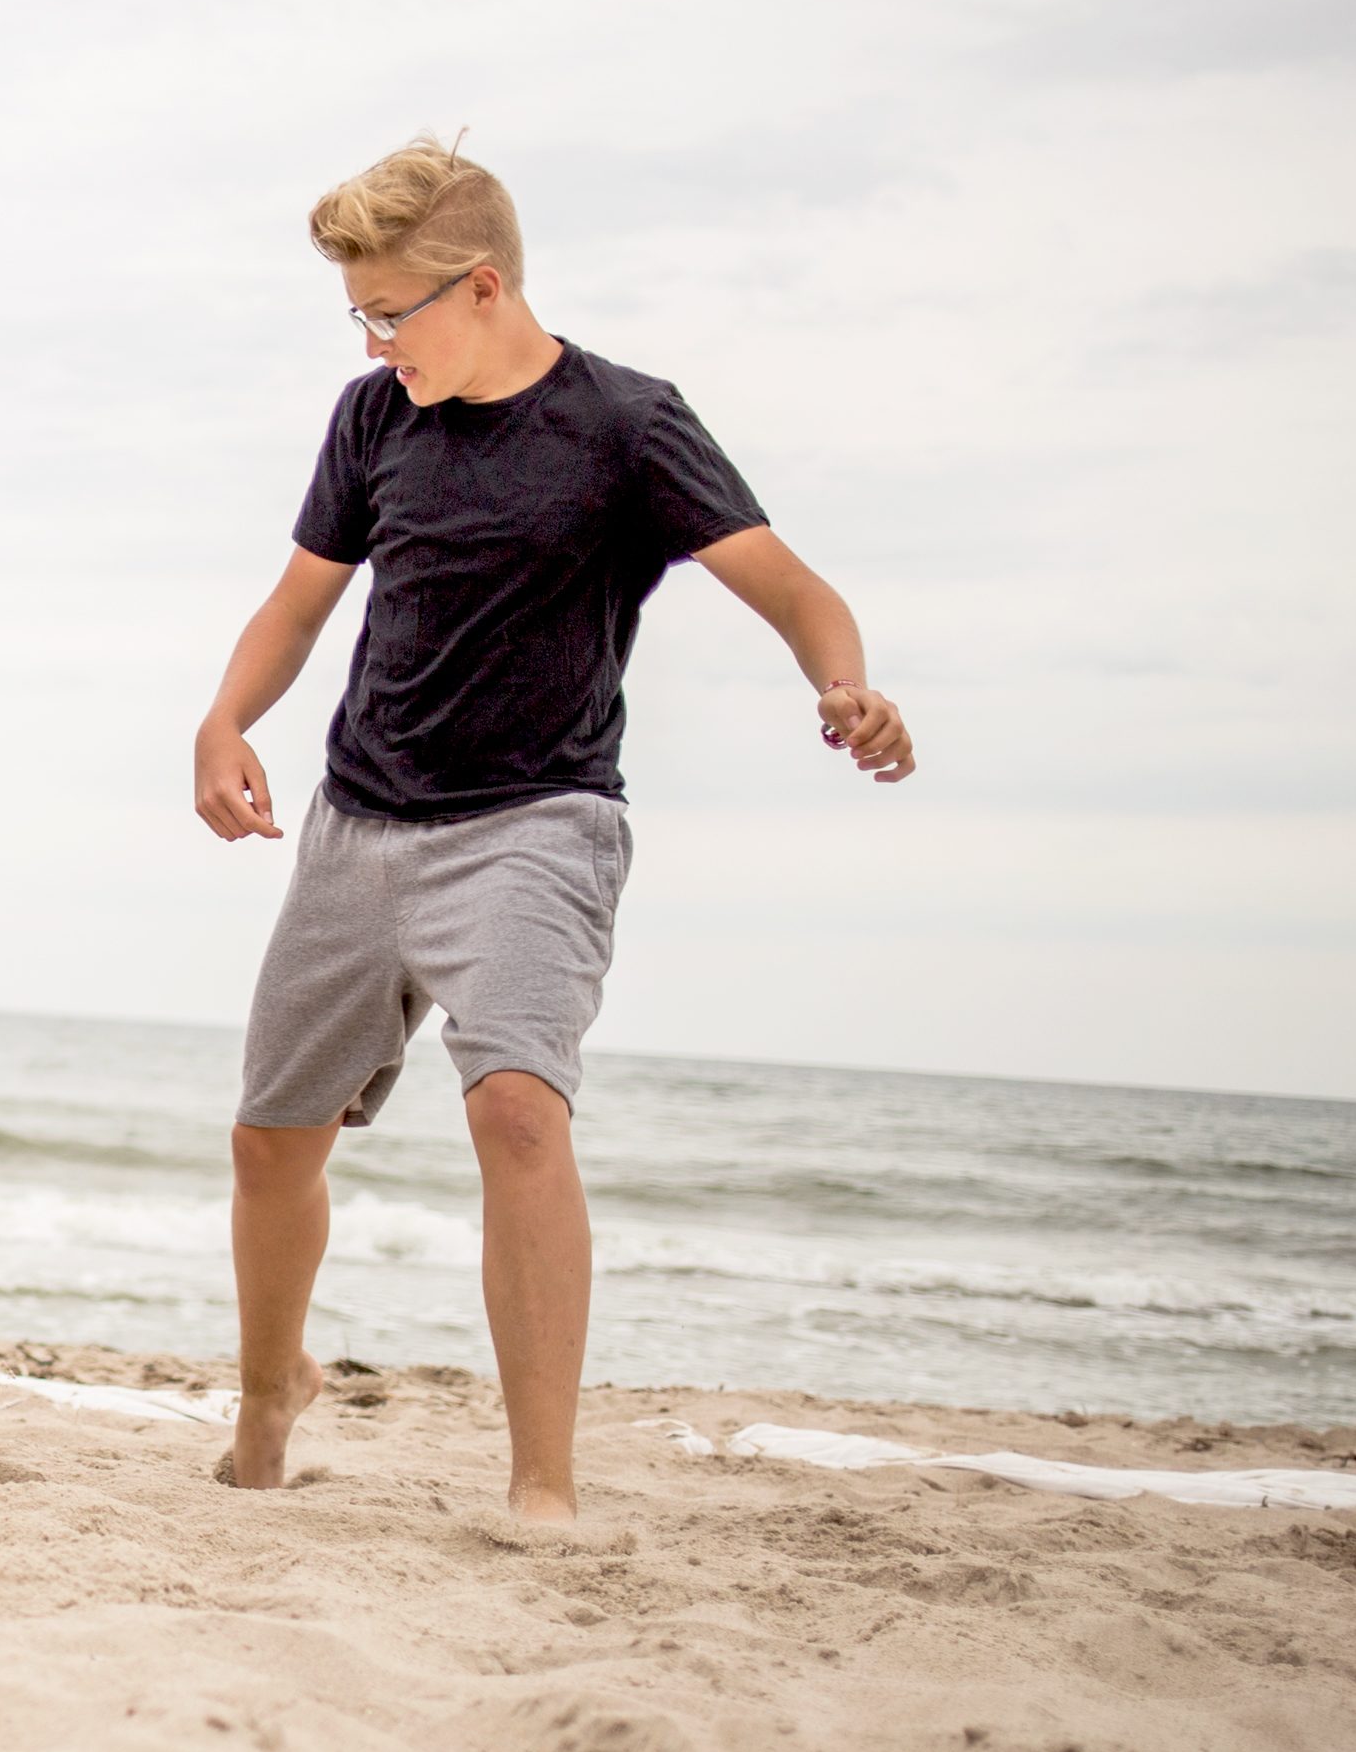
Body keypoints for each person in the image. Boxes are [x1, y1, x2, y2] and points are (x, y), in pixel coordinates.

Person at [191, 137, 916, 1521]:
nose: (371, 337)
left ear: (482, 287)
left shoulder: (629, 425)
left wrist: (845, 685)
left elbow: (791, 585)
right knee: (270, 1141)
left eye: (388, 309)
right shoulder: (373, 419)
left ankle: (544, 1489)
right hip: (358, 820)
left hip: (536, 824)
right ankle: (270, 1393)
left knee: (519, 1112)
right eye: (358, 312)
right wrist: (226, 724)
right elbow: (298, 606)